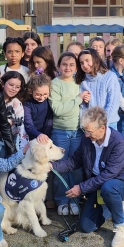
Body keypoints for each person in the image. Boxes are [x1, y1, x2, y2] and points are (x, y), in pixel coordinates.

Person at [51, 107, 124, 247]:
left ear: (102, 128)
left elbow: (108, 174)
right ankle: (114, 203)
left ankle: (121, 227)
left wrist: (81, 188)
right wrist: (52, 166)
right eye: (84, 130)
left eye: (89, 131)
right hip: (101, 185)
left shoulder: (118, 142)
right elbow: (74, 161)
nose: (86, 135)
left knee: (109, 187)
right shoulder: (87, 139)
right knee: (86, 226)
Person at [50, 52, 83, 216]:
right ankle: (62, 200)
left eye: (71, 65)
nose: (68, 68)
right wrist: (77, 99)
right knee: (61, 167)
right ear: (58, 66)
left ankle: (75, 200)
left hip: (78, 131)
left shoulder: (80, 82)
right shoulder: (55, 84)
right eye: (64, 64)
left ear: (76, 67)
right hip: (61, 131)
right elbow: (58, 110)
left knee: (76, 168)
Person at [77, 48, 120, 128]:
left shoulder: (110, 77)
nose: (84, 65)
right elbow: (83, 107)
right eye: (81, 63)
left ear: (95, 59)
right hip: (90, 125)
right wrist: (85, 101)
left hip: (109, 123)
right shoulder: (82, 80)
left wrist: (102, 124)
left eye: (87, 60)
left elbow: (113, 103)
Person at [0, 70, 29, 154]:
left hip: (10, 140)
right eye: (11, 85)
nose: (13, 89)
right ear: (3, 84)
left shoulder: (16, 103)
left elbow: (21, 126)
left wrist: (23, 147)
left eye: (17, 87)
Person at [23, 73, 53, 144]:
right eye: (38, 94)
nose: (42, 98)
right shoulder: (27, 104)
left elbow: (49, 120)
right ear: (31, 91)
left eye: (45, 94)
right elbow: (28, 123)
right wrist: (38, 134)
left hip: (44, 135)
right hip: (30, 136)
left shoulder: (48, 101)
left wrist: (44, 134)